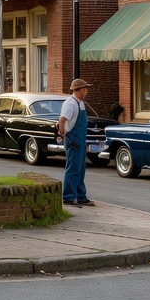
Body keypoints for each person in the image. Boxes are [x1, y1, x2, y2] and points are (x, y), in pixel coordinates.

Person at [57, 78, 94, 207]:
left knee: (80, 169)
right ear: (78, 90)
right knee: (73, 169)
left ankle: (81, 196)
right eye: (85, 89)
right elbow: (62, 120)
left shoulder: (80, 103)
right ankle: (68, 197)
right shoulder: (70, 103)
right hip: (73, 139)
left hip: (80, 139)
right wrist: (63, 134)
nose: (86, 91)